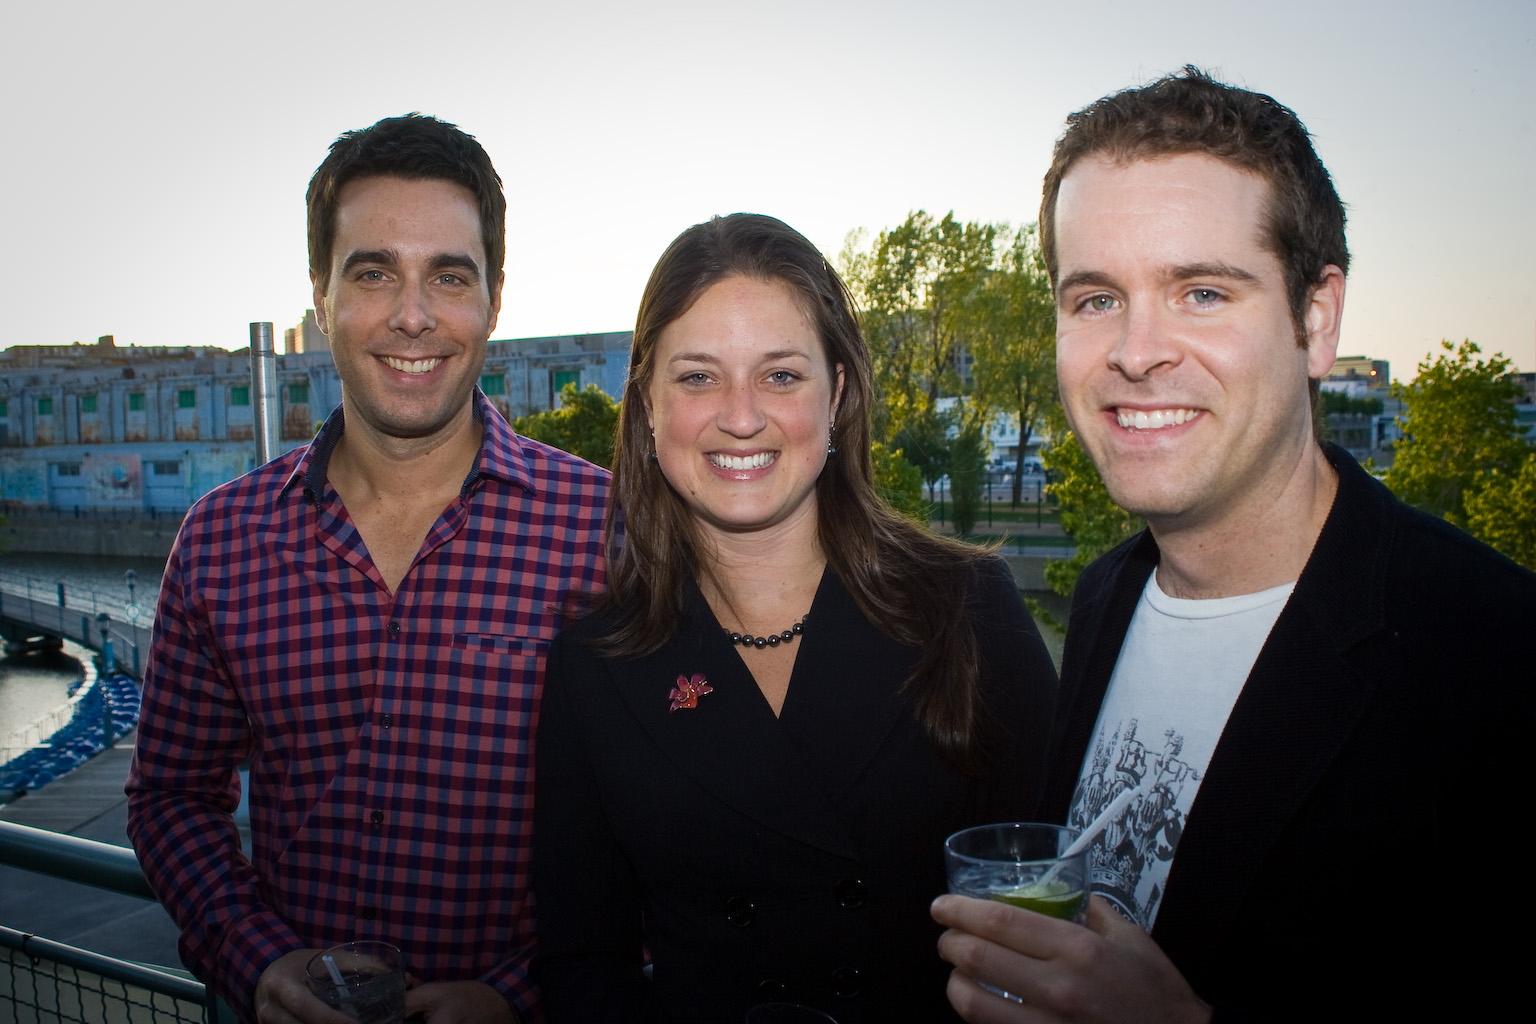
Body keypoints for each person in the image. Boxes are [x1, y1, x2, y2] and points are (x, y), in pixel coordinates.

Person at [931, 67, 1535, 1022]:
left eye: (1202, 292)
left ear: (1316, 320)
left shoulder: (1496, 662)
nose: (1137, 351)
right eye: (1095, 299)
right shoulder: (1106, 595)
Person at [126, 114, 609, 1024]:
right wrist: (256, 960)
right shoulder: (221, 544)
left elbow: (674, 822)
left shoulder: (605, 533)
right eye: (374, 272)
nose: (412, 314)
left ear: (495, 300)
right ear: (321, 296)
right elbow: (171, 798)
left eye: (450, 276)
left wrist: (521, 996)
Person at [532, 213, 1058, 1024]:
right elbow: (583, 966)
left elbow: (1051, 916)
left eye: (780, 375)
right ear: (647, 406)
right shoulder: (592, 667)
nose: (741, 417)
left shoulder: (970, 609)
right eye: (698, 377)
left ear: (837, 395)